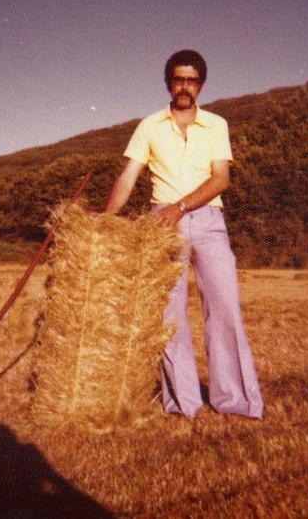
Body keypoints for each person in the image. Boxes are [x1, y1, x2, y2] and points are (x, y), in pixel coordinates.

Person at [105, 49, 263, 419]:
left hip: (207, 220)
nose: (185, 87)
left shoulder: (217, 125)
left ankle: (235, 401)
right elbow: (129, 176)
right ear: (168, 83)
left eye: (192, 81)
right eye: (178, 79)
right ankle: (183, 403)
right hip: (161, 224)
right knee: (169, 314)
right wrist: (107, 216)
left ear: (201, 86)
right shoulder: (149, 126)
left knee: (224, 308)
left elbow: (220, 179)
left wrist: (181, 207)